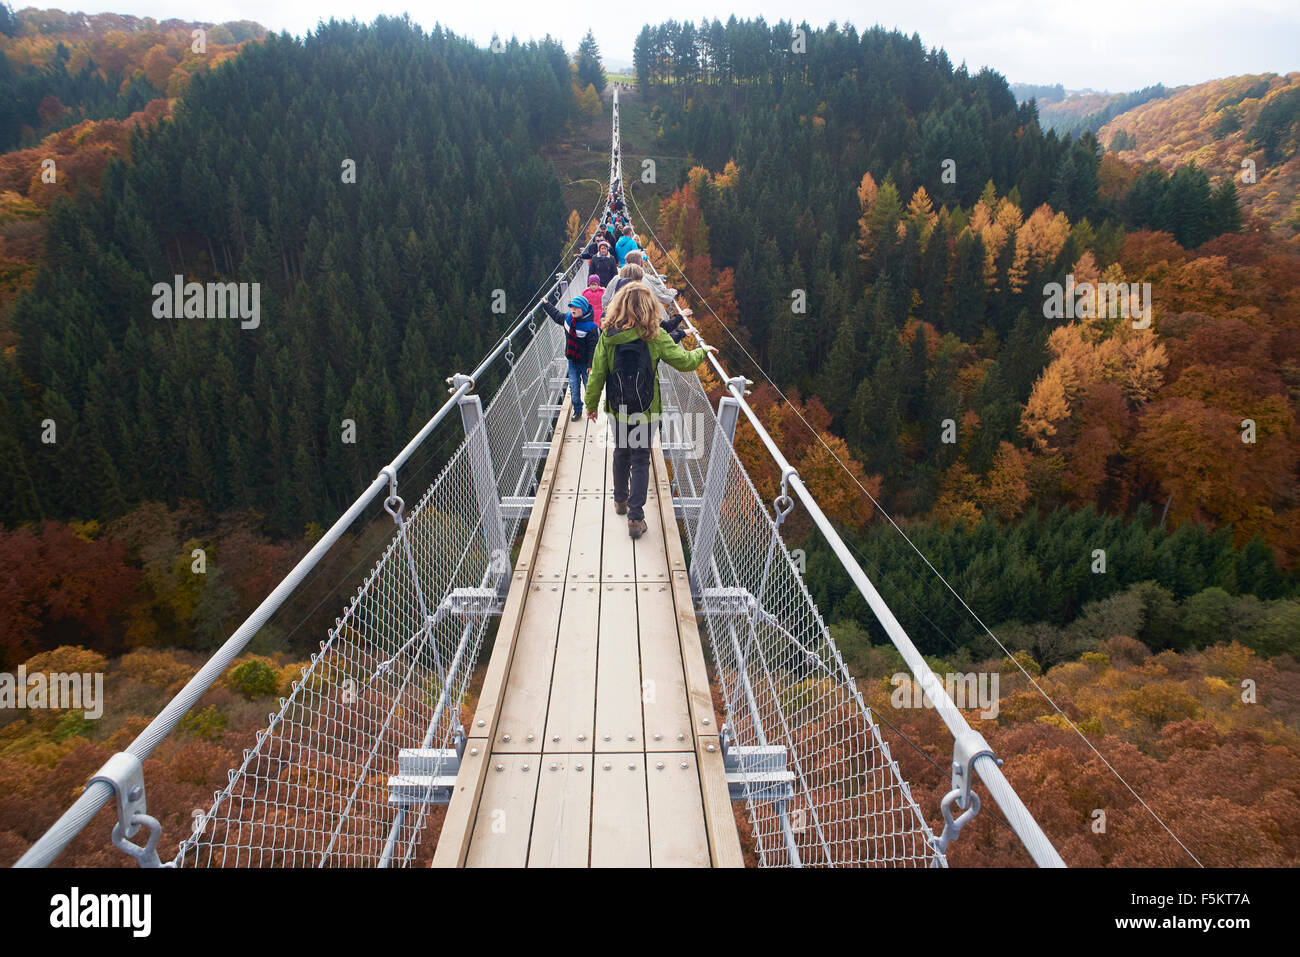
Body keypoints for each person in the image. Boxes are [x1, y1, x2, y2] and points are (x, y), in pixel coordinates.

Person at [584, 282, 716, 538]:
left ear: (618, 306)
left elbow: (598, 374)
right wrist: (702, 352)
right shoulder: (654, 336)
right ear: (650, 308)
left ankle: (620, 500)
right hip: (646, 410)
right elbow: (684, 362)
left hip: (618, 409)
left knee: (621, 452)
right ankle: (636, 518)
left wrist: (590, 406)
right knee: (641, 459)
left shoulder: (608, 337)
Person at [541, 291, 599, 421]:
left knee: (589, 387)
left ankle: (591, 408)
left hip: (585, 364)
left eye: (576, 308)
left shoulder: (591, 328)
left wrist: (591, 365)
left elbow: (593, 348)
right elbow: (556, 316)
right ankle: (577, 410)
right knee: (573, 386)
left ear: (583, 310)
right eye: (571, 307)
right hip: (572, 362)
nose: (573, 309)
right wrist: (546, 304)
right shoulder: (568, 319)